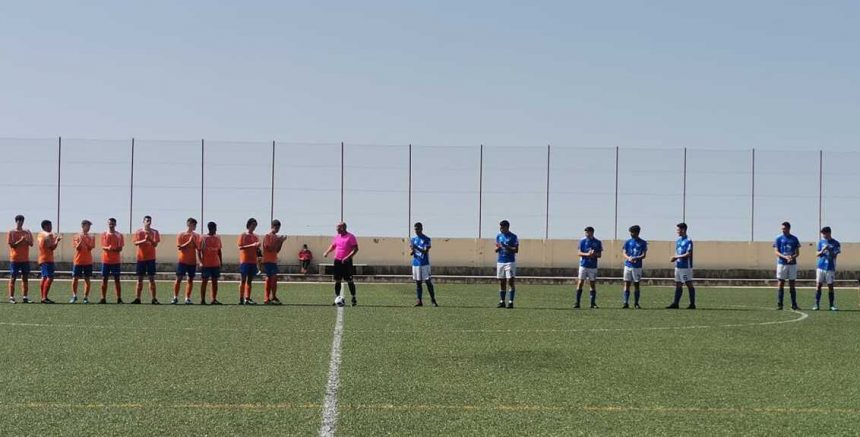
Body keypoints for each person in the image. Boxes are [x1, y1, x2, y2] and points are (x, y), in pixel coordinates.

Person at [323, 222, 359, 306]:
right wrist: (327, 252)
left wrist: (348, 257)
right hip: (337, 261)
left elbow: (356, 249)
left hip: (347, 262)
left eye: (338, 228)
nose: (336, 229)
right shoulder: (337, 237)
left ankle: (353, 298)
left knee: (349, 280)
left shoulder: (351, 237)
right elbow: (333, 246)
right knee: (337, 280)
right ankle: (337, 298)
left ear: (343, 228)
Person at [667, 222, 696, 309]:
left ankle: (692, 304)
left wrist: (676, 257)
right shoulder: (678, 240)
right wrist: (675, 258)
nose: (677, 231)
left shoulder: (688, 240)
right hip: (678, 266)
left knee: (688, 283)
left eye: (678, 229)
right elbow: (678, 252)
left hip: (686, 267)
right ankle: (676, 303)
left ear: (683, 230)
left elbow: (688, 254)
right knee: (678, 284)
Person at [132, 215, 160, 304]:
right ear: (143, 221)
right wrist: (144, 240)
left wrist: (150, 240)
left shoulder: (155, 232)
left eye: (150, 220)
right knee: (140, 279)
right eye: (147, 220)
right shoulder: (139, 232)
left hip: (151, 258)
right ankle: (138, 298)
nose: (148, 221)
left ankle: (154, 298)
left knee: (151, 279)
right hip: (141, 258)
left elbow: (155, 244)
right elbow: (135, 243)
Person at [773, 221, 800, 310]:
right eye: (782, 228)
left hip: (792, 264)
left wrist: (791, 257)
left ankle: (794, 304)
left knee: (792, 283)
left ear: (788, 228)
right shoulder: (778, 238)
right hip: (781, 263)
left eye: (784, 228)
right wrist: (784, 257)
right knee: (781, 283)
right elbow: (776, 251)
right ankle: (780, 304)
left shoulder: (794, 239)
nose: (783, 230)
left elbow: (797, 253)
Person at [174, 218, 201, 305]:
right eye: (194, 224)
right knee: (179, 279)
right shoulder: (181, 234)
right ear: (189, 224)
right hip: (182, 261)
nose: (195, 226)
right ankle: (175, 297)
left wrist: (195, 243)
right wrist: (189, 242)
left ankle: (187, 298)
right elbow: (179, 247)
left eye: (196, 225)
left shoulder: (196, 236)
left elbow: (198, 248)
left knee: (190, 280)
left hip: (192, 262)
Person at [7, 215, 33, 304]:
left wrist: (27, 241)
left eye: (22, 221)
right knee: (13, 278)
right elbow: (12, 245)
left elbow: (31, 244)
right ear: (16, 221)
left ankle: (25, 297)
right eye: (19, 221)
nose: (21, 222)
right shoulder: (11, 232)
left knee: (25, 278)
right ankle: (11, 297)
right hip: (15, 259)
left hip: (25, 259)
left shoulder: (27, 232)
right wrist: (21, 241)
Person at [410, 222, 437, 307]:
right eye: (415, 229)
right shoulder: (413, 239)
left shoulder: (427, 239)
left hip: (424, 263)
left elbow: (425, 251)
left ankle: (433, 300)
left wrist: (416, 247)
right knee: (418, 283)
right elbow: (412, 252)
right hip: (416, 263)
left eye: (417, 229)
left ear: (421, 229)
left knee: (428, 282)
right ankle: (419, 301)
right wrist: (412, 251)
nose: (416, 231)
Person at [575, 226, 603, 309]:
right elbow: (579, 253)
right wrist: (587, 254)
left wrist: (594, 254)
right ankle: (577, 303)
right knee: (580, 283)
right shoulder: (582, 241)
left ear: (592, 232)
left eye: (588, 232)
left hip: (592, 266)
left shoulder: (598, 242)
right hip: (583, 265)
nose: (586, 233)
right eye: (586, 232)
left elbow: (600, 255)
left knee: (592, 284)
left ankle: (592, 303)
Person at [814, 226, 840, 311]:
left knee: (830, 286)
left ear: (829, 233)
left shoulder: (836, 243)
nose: (823, 235)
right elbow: (817, 254)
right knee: (818, 285)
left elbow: (834, 255)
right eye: (822, 233)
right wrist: (822, 251)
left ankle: (831, 305)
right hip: (820, 266)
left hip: (830, 267)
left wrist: (829, 249)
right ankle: (816, 305)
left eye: (824, 233)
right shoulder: (821, 242)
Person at [262, 219, 288, 305]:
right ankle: (267, 298)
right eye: (276, 228)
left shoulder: (276, 237)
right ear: (272, 227)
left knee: (273, 279)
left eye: (278, 228)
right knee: (270, 279)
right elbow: (269, 248)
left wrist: (281, 242)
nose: (277, 230)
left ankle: (273, 297)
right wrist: (278, 241)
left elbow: (277, 250)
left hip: (273, 260)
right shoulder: (267, 236)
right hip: (267, 260)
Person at [622, 225, 647, 309]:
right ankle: (625, 303)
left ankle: (636, 303)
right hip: (628, 265)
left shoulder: (643, 242)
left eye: (632, 232)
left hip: (637, 267)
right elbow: (624, 252)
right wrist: (628, 258)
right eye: (630, 232)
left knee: (636, 284)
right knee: (627, 283)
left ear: (637, 232)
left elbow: (643, 255)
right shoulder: (628, 242)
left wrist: (636, 258)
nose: (631, 234)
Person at [100, 218, 124, 304]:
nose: (111, 225)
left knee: (117, 279)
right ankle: (103, 298)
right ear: (107, 224)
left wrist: (113, 249)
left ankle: (119, 298)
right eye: (110, 223)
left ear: (115, 224)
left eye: (113, 223)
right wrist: (108, 248)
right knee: (104, 279)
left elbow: (120, 248)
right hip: (105, 261)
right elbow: (103, 246)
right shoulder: (104, 234)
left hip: (115, 261)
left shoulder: (119, 235)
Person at [495, 220, 519, 309]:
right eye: (500, 227)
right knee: (502, 281)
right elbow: (496, 248)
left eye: (502, 227)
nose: (500, 228)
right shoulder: (499, 236)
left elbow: (516, 250)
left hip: (510, 262)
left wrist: (507, 247)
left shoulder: (513, 237)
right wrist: (498, 248)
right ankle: (502, 302)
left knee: (510, 281)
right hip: (500, 261)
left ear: (507, 227)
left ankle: (511, 302)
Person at [71, 219, 95, 304]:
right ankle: (74, 296)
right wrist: (80, 241)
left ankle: (85, 297)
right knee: (75, 278)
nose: (89, 227)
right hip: (78, 261)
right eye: (87, 225)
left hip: (88, 261)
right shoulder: (76, 236)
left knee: (87, 279)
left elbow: (90, 247)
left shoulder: (91, 236)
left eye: (89, 226)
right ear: (83, 226)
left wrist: (86, 242)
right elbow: (77, 248)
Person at [237, 218, 261, 305]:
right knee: (243, 280)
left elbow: (257, 249)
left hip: (253, 261)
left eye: (255, 225)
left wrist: (258, 247)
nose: (254, 227)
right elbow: (240, 247)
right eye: (253, 225)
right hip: (245, 261)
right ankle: (241, 298)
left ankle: (248, 298)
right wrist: (252, 245)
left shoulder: (255, 236)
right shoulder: (243, 235)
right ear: (249, 225)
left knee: (250, 281)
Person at [37, 219, 61, 304]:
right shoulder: (47, 235)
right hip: (47, 259)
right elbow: (52, 247)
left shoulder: (40, 234)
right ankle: (44, 298)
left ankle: (43, 297)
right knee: (50, 278)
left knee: (44, 277)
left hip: (42, 258)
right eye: (50, 225)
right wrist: (57, 241)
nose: (51, 227)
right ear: (45, 226)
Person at [199, 221, 222, 305]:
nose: (216, 230)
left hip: (215, 263)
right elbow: (199, 251)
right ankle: (202, 300)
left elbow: (219, 251)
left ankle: (214, 299)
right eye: (215, 228)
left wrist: (220, 262)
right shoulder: (203, 238)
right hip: (206, 264)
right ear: (211, 228)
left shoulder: (218, 238)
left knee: (215, 281)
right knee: (204, 281)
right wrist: (201, 261)